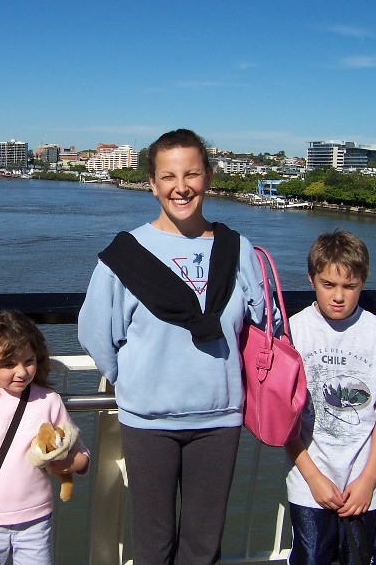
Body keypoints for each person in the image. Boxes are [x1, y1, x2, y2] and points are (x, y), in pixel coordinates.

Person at [78, 128, 273, 564]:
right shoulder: (125, 255)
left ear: (207, 177)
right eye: (168, 176)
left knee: (204, 547)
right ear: (151, 183)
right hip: (148, 419)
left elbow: (262, 322)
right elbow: (95, 332)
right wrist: (135, 380)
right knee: (153, 545)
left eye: (191, 174)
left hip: (219, 416)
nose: (180, 187)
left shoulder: (237, 250)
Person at [285, 230, 376, 564]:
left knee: (361, 556)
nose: (338, 296)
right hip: (308, 482)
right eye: (328, 284)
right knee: (310, 556)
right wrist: (312, 477)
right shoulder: (293, 331)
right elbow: (282, 416)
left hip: (362, 483)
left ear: (363, 283)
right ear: (311, 279)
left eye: (350, 286)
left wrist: (369, 479)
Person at [0, 310, 90, 565]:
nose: (21, 372)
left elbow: (82, 456)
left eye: (28, 361)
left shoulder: (48, 401)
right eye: (7, 364)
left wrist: (66, 464)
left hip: (36, 521)